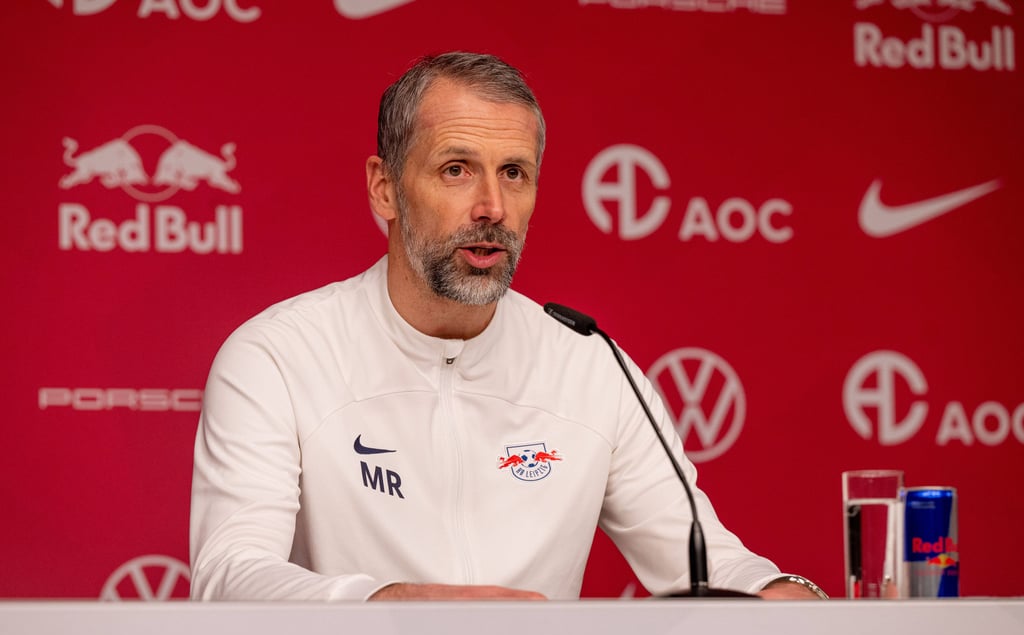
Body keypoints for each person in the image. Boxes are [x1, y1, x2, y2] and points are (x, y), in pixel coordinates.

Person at [189, 51, 824, 601]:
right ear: (385, 189)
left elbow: (710, 564)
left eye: (513, 173)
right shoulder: (276, 357)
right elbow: (230, 575)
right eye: (456, 169)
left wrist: (783, 592)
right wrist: (389, 605)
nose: (492, 207)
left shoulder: (590, 365)